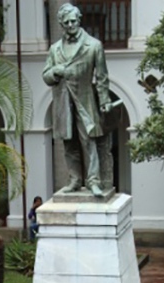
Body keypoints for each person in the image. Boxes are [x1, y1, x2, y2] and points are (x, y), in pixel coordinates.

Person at [42, 3, 113, 197]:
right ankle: (74, 180)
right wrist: (55, 71)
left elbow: (102, 77)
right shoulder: (55, 49)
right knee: (68, 143)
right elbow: (46, 75)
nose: (71, 24)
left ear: (79, 20)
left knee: (89, 142)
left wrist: (104, 100)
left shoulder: (94, 45)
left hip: (85, 100)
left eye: (73, 21)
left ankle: (93, 181)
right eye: (66, 22)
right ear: (61, 24)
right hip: (63, 102)